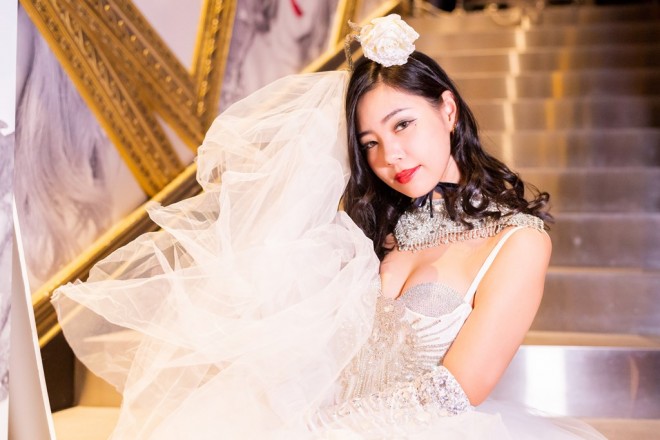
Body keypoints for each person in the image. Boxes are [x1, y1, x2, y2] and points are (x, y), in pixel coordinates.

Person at [52, 14, 605, 439]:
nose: (390, 156)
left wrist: (322, 430)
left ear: (448, 110)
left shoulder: (518, 242)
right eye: (371, 143)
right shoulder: (376, 227)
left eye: (403, 124)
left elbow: (458, 390)